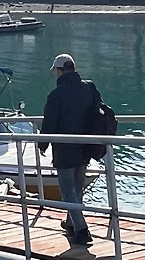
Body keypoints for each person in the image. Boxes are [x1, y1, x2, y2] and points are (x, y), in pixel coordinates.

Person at [39, 53, 101, 246]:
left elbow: (49, 123)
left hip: (65, 149)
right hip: (85, 147)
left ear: (60, 71)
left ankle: (82, 229)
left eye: (56, 71)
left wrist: (42, 144)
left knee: (67, 191)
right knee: (77, 188)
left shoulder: (56, 95)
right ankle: (71, 222)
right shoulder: (89, 88)